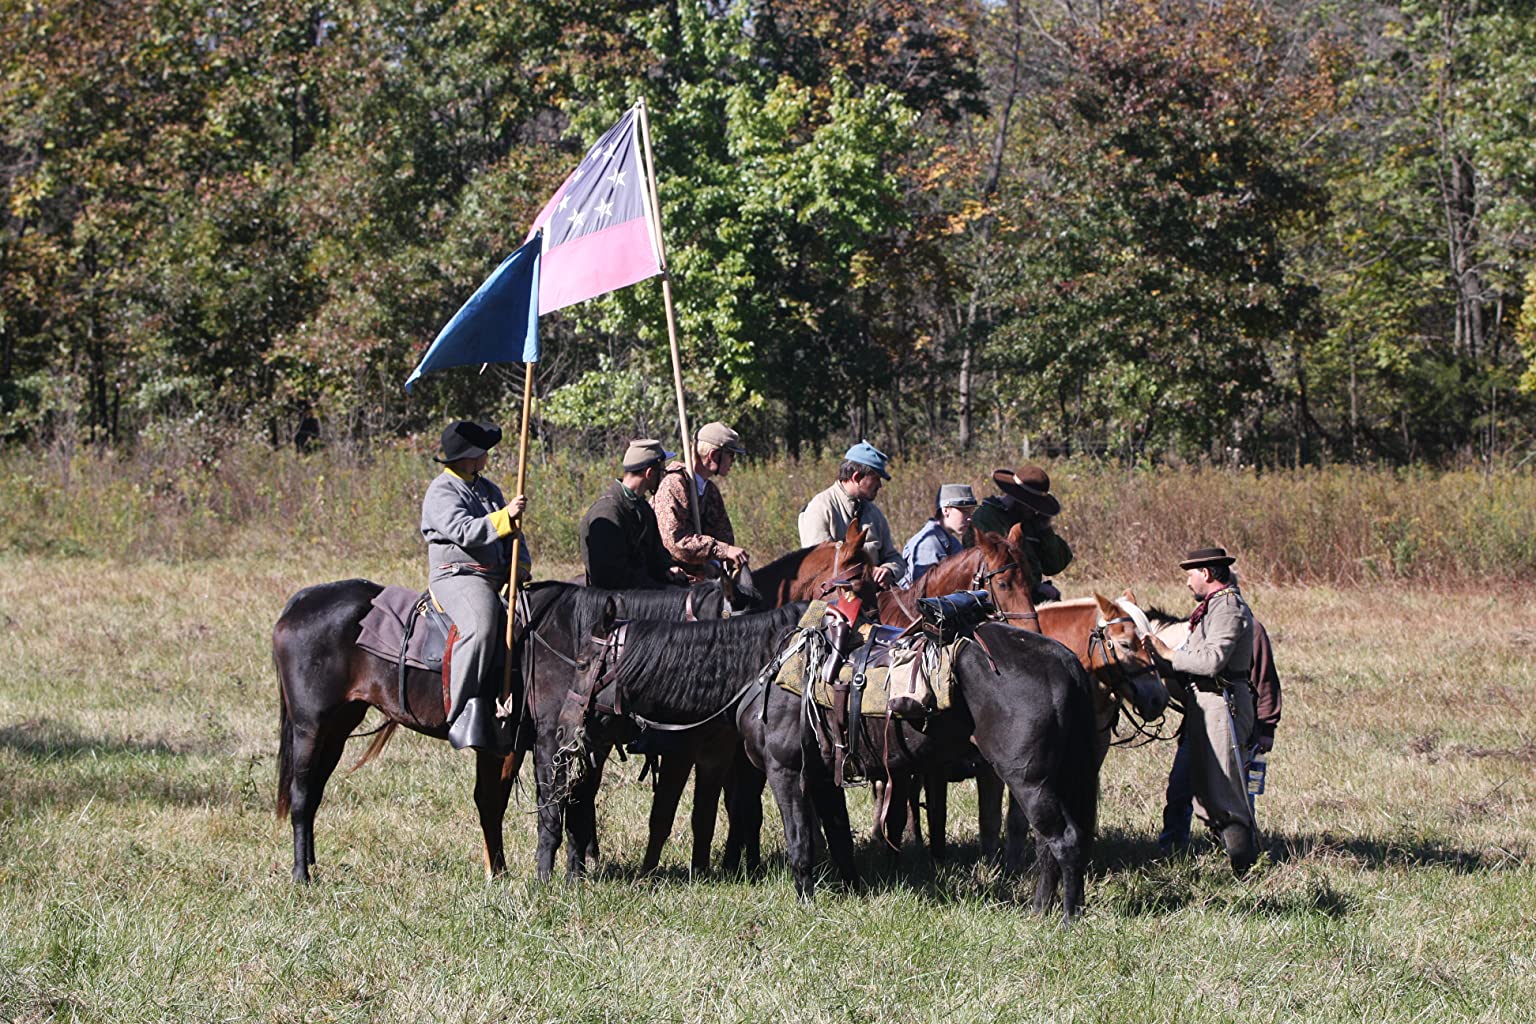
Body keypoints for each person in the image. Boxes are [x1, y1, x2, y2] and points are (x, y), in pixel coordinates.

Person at [1142, 546, 1260, 876]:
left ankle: (1245, 869)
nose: (1188, 582)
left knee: (1224, 791)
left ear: (1206, 574)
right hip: (1203, 705)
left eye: (1190, 575)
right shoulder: (1212, 609)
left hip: (1223, 706)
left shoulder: (1228, 608)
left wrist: (1168, 653)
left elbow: (1212, 661)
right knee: (1187, 784)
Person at [420, 420, 528, 752]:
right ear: (471, 455)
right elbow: (464, 530)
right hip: (458, 575)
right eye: (483, 450)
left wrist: (519, 571)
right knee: (481, 626)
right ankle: (461, 711)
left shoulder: (489, 489)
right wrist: (506, 515)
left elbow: (515, 535)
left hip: (496, 576)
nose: (487, 455)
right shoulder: (442, 490)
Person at [1157, 579, 1283, 853]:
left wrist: (1267, 728)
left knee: (1234, 791)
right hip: (1199, 720)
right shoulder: (1203, 622)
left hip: (1233, 718)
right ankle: (1171, 850)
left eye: (1192, 575)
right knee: (1180, 788)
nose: (1187, 582)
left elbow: (1264, 679)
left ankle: (1239, 853)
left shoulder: (1248, 626)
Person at [579, 438, 690, 590]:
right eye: (662, 471)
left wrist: (667, 569)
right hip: (615, 603)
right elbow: (612, 578)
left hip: (641, 594)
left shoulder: (643, 508)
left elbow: (656, 555)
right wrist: (659, 588)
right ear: (649, 473)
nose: (664, 477)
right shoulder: (607, 512)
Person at [797, 441, 905, 590]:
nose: (880, 485)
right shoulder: (819, 508)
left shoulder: (875, 514)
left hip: (872, 598)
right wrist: (865, 572)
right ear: (856, 477)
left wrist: (888, 571)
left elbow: (894, 557)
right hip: (826, 599)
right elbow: (818, 565)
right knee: (811, 614)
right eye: (876, 479)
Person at [651, 421, 750, 580]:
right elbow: (676, 543)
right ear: (713, 455)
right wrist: (722, 551)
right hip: (670, 581)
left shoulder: (710, 491)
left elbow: (724, 535)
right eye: (731, 455)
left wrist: (716, 564)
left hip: (703, 582)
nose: (733, 461)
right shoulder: (674, 485)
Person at [967, 465, 1071, 602]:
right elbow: (996, 568)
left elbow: (1054, 566)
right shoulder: (986, 518)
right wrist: (1035, 587)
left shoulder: (1031, 521)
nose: (1034, 510)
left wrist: (1045, 529)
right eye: (1031, 505)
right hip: (998, 598)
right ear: (1017, 499)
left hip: (1026, 596)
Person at [900, 484, 978, 586]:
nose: (969, 518)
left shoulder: (951, 542)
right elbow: (925, 594)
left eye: (971, 512)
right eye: (965, 511)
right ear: (945, 510)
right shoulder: (928, 544)